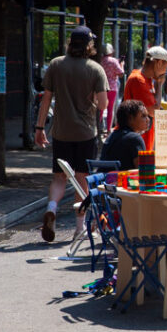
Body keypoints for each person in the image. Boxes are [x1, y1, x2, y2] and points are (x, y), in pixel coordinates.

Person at [35, 26, 109, 242]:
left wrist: (40, 129)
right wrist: (92, 102)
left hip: (61, 132)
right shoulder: (95, 69)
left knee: (59, 177)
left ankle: (52, 209)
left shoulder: (56, 65)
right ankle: (79, 228)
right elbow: (103, 103)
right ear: (89, 45)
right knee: (81, 180)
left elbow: (46, 99)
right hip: (85, 133)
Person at [123, 46, 167, 150]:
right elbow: (153, 111)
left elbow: (150, 111)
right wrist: (160, 85)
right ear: (159, 63)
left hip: (145, 142)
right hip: (137, 144)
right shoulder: (139, 80)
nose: (165, 72)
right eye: (166, 67)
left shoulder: (147, 80)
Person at [99, 100, 150, 171]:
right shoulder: (135, 139)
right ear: (130, 118)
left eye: (147, 116)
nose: (148, 119)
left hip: (105, 180)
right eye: (143, 116)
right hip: (122, 181)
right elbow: (145, 173)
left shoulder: (112, 136)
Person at [100, 43, 124, 131]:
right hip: (112, 88)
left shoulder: (100, 60)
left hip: (102, 86)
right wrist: (121, 65)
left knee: (101, 109)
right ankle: (109, 129)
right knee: (110, 109)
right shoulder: (114, 61)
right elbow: (121, 73)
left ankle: (98, 127)